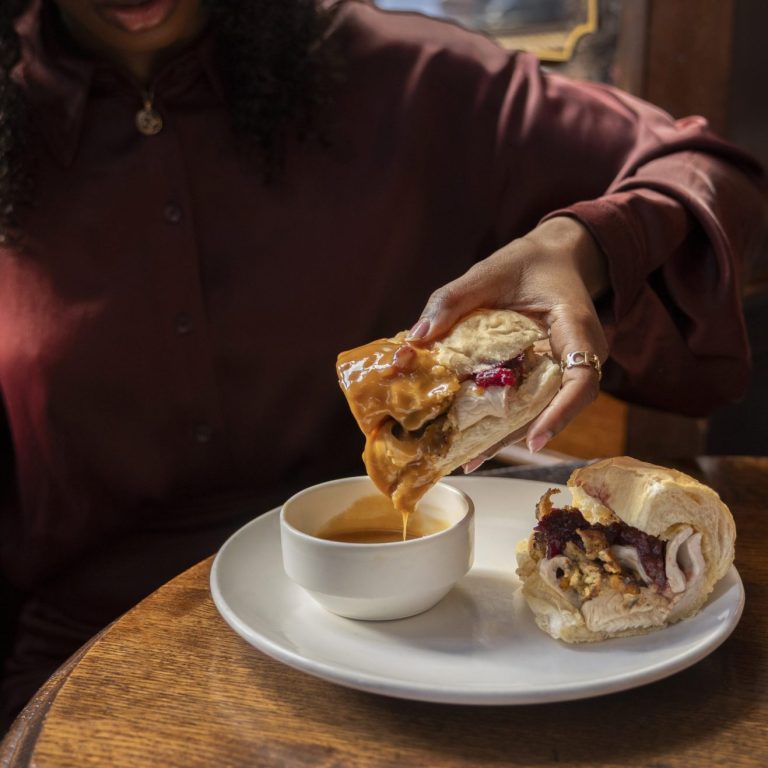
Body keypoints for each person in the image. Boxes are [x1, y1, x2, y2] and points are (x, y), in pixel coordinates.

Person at [0, 0, 763, 731]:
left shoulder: (409, 79)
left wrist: (583, 245)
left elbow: (714, 177)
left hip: (403, 650)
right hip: (84, 664)